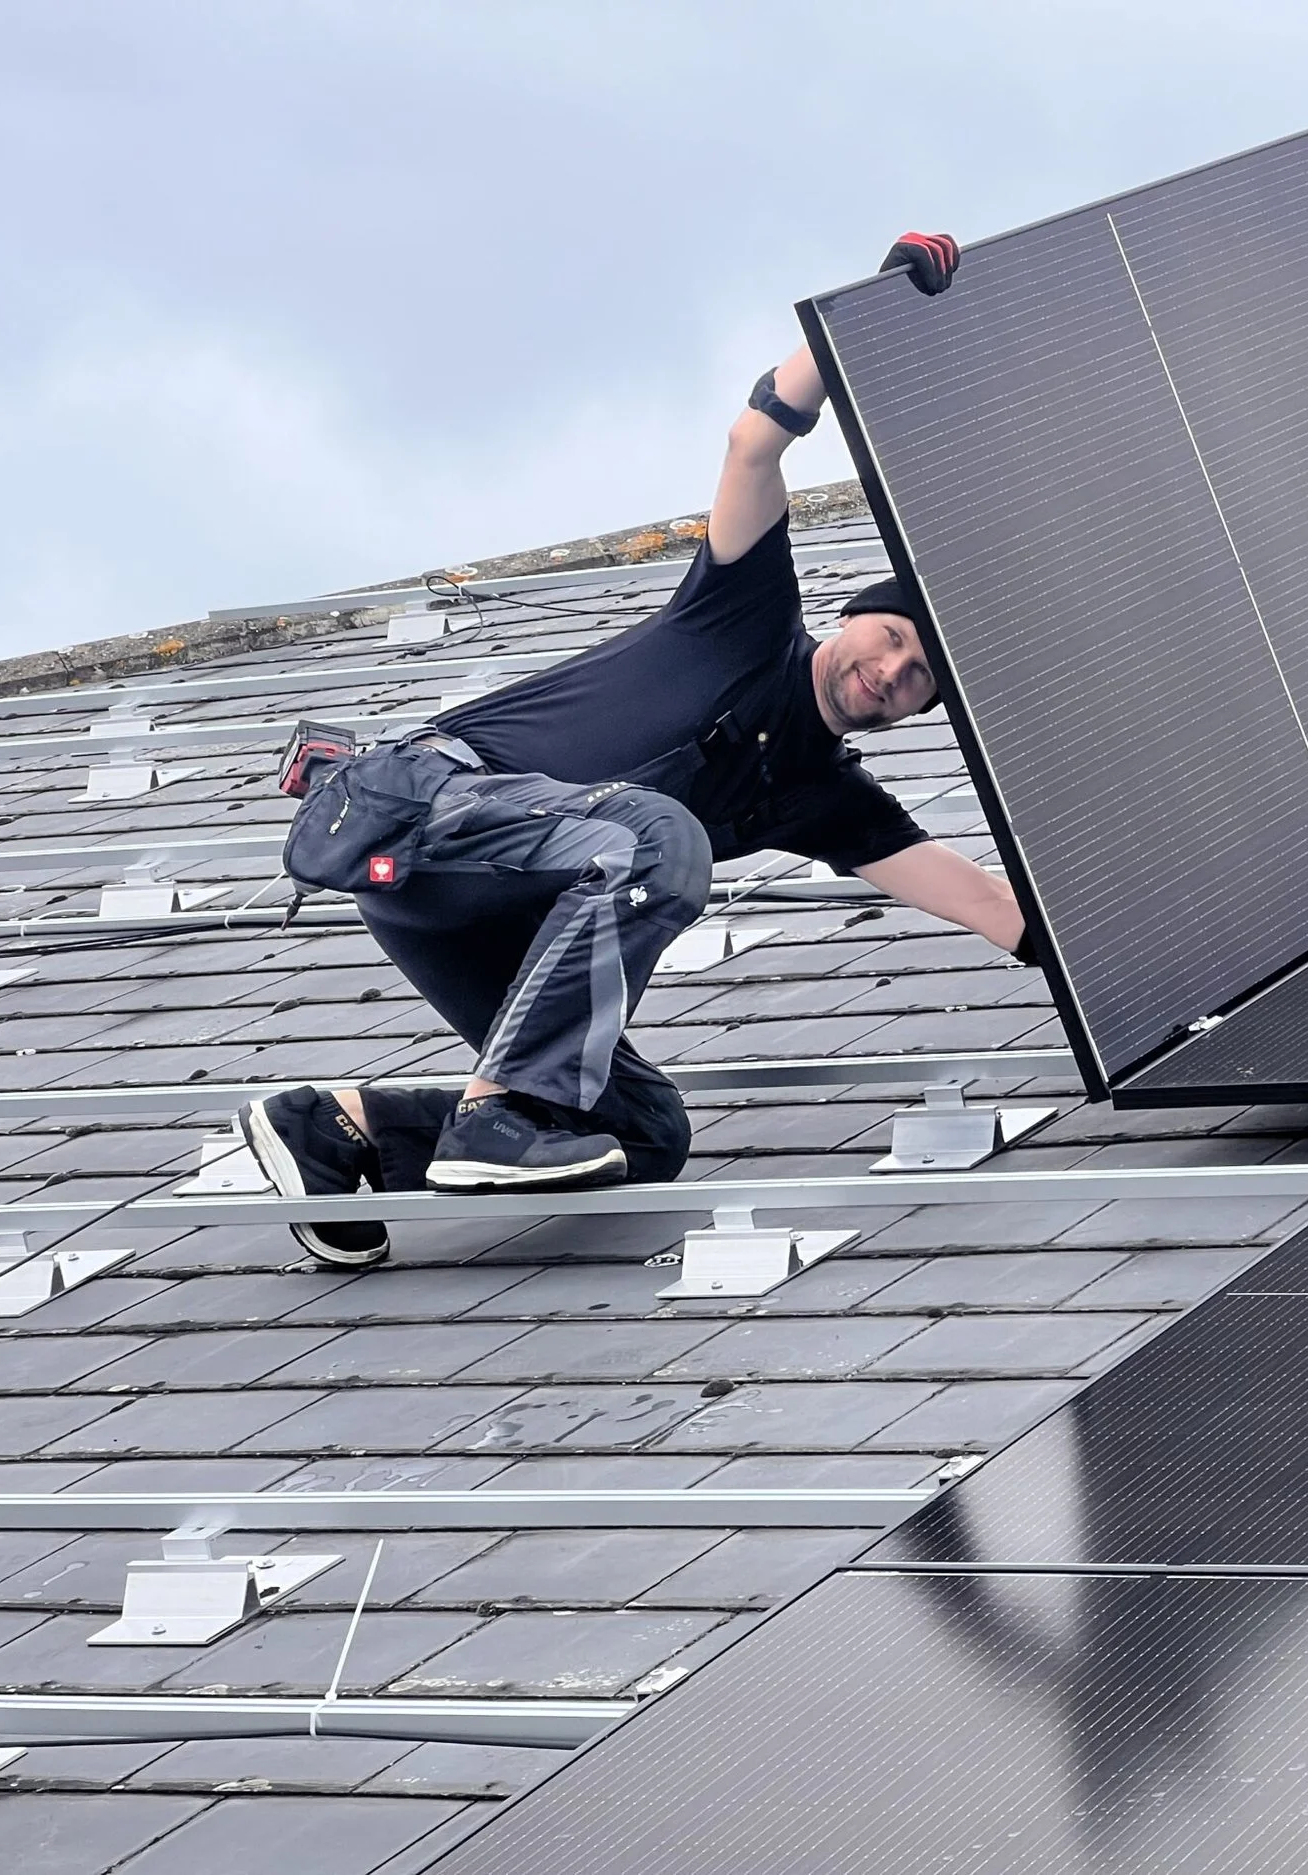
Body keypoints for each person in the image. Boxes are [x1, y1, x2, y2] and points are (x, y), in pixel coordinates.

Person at [243, 232, 1024, 1270]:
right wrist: (865, 316)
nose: (892, 671)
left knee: (642, 1138)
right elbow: (756, 441)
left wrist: (1196, 967)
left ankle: (333, 1128)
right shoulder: (742, 617)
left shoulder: (828, 799)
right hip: (423, 808)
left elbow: (989, 908)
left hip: (483, 919)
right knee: (655, 835)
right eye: (892, 639)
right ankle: (501, 1113)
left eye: (918, 677)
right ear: (852, 620)